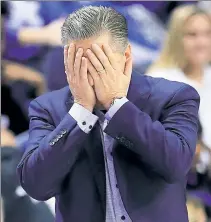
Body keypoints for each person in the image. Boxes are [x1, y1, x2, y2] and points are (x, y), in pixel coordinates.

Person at [17, 6, 200, 222]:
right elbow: (36, 185)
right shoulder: (47, 107)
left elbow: (175, 165)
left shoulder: (173, 96)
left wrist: (117, 105)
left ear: (126, 56)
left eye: (99, 61)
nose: (90, 74)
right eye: (78, 63)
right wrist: (80, 112)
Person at [147, 5, 211, 148]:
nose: (203, 43)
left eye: (208, 33)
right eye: (192, 34)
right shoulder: (159, 81)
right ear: (176, 39)